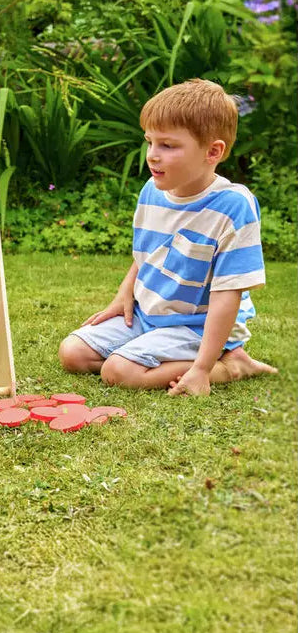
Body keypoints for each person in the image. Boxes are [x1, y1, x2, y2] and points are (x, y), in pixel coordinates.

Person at [58, 78, 277, 397]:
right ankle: (169, 351)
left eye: (168, 145)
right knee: (73, 353)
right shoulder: (152, 191)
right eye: (150, 142)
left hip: (199, 326)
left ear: (212, 151)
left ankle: (229, 365)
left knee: (118, 371)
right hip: (150, 315)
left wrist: (202, 368)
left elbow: (228, 294)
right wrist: (124, 293)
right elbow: (147, 254)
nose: (152, 155)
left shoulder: (233, 206)